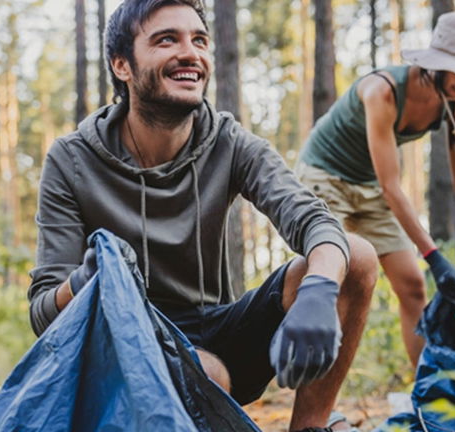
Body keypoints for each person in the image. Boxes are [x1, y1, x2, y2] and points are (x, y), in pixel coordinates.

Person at [27, 1, 378, 430]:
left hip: (220, 329)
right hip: (129, 346)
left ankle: (310, 426)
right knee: (208, 375)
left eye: (199, 40)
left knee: (354, 256)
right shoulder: (72, 159)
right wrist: (82, 284)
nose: (191, 53)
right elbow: (43, 314)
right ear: (122, 65)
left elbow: (312, 220)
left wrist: (320, 290)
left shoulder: (228, 141)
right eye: (166, 39)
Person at [296, 11, 455, 366]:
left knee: (413, 286)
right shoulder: (382, 92)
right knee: (334, 279)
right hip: (324, 178)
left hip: (369, 186)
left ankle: (424, 393)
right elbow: (392, 186)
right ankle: (312, 392)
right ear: (438, 63)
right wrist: (436, 259)